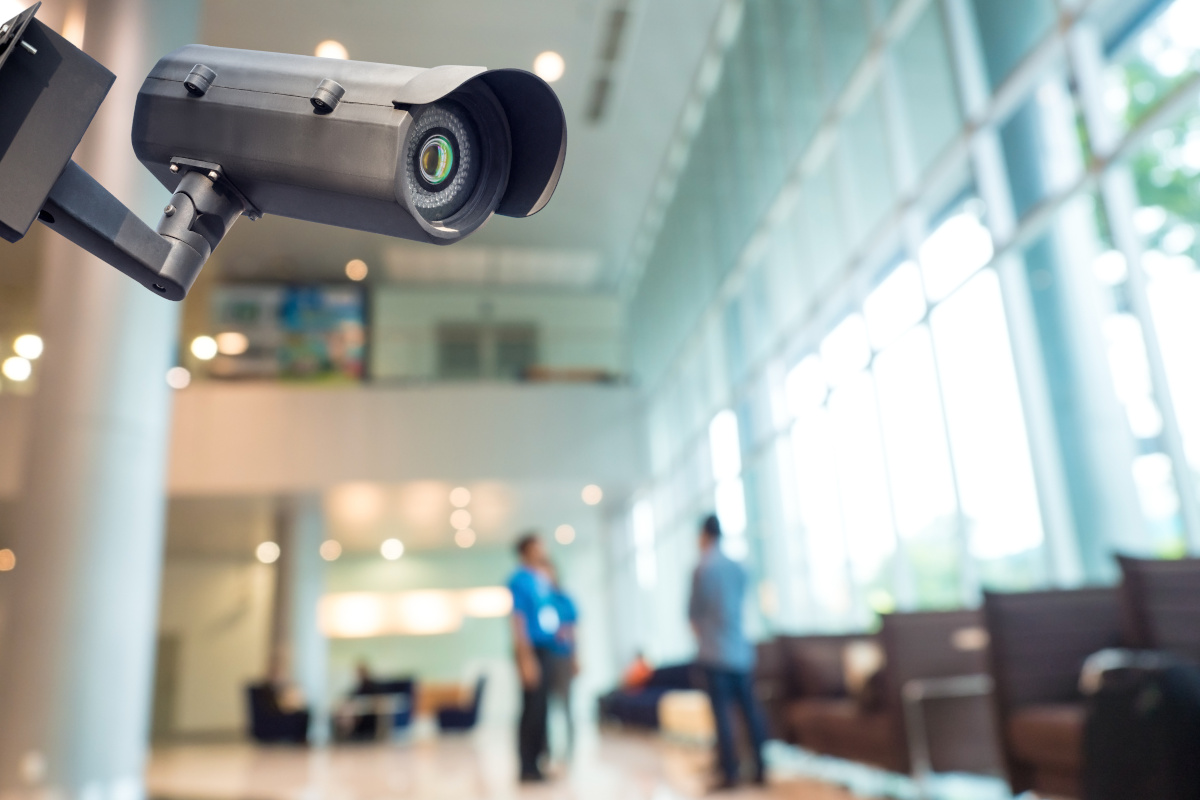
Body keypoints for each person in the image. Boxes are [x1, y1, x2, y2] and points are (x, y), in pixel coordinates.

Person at [688, 514, 768, 791]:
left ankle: (730, 773)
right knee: (750, 712)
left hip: (715, 653)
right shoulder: (739, 567)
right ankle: (760, 768)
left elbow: (693, 615)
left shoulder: (702, 568)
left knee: (722, 715)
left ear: (704, 535)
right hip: (741, 652)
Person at [507, 532, 559, 782]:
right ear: (526, 551)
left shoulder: (540, 579)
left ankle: (538, 764)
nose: (543, 551)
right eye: (538, 547)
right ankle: (527, 767)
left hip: (545, 648)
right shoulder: (519, 580)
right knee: (532, 709)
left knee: (542, 709)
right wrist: (525, 658)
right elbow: (518, 620)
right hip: (530, 650)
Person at [545, 562, 579, 759]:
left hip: (563, 657)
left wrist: (576, 657)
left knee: (567, 705)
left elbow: (574, 630)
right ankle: (547, 750)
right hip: (545, 658)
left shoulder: (565, 599)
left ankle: (570, 751)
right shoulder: (540, 599)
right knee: (546, 707)